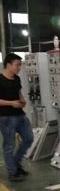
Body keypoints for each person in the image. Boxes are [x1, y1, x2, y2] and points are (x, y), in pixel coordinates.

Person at [0, 53, 34, 181]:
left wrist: (22, 100)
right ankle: (13, 172)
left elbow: (18, 92)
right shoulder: (0, 79)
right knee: (9, 145)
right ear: (8, 64)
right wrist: (11, 103)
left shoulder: (17, 79)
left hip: (20, 115)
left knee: (29, 139)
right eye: (17, 65)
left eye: (20, 65)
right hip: (6, 117)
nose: (19, 67)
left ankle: (15, 163)